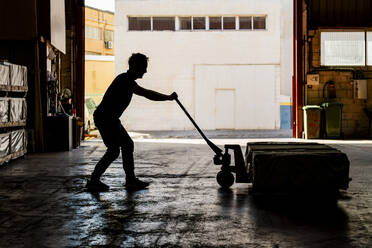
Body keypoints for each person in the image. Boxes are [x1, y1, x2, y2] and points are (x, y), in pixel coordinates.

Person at [86, 53, 177, 191]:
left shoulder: (127, 80)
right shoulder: (125, 80)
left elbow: (145, 93)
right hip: (106, 118)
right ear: (135, 66)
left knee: (123, 146)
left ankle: (125, 179)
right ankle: (100, 180)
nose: (146, 71)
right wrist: (168, 97)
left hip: (109, 118)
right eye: (144, 67)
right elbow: (147, 94)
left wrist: (168, 98)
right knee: (115, 150)